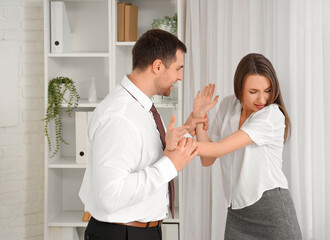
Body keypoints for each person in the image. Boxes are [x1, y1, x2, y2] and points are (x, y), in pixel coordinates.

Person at [79, 29, 207, 240]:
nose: (180, 77)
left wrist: (176, 144)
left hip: (141, 231)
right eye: (178, 68)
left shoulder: (142, 109)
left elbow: (146, 161)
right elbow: (110, 196)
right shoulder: (120, 117)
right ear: (157, 66)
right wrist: (170, 164)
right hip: (122, 234)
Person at [193, 53, 302, 239]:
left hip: (272, 209)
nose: (262, 99)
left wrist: (179, 144)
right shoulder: (228, 105)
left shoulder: (271, 115)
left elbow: (219, 149)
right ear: (240, 88)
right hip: (237, 212)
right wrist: (198, 118)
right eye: (253, 92)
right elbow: (208, 158)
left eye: (267, 90)